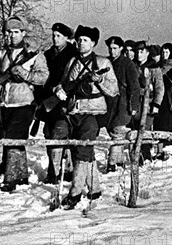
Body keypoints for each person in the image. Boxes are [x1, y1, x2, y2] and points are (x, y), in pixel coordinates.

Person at [55, 25, 118, 210]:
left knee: (82, 149)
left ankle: (74, 192)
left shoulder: (102, 63)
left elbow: (114, 90)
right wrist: (59, 91)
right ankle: (95, 189)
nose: (81, 43)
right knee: (82, 151)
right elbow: (64, 83)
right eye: (79, 39)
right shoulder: (72, 61)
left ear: (93, 43)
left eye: (85, 40)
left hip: (93, 113)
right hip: (74, 111)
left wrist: (101, 81)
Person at [0, 15, 49, 192]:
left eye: (15, 32)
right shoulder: (2, 53)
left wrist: (24, 74)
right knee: (10, 138)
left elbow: (43, 77)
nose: (11, 36)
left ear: (23, 33)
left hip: (24, 102)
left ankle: (11, 178)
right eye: (8, 32)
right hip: (5, 102)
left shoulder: (34, 55)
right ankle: (18, 174)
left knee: (14, 137)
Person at [39, 22, 77, 184]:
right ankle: (63, 169)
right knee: (49, 134)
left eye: (59, 36)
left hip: (65, 101)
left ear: (67, 38)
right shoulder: (47, 55)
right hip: (49, 101)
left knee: (60, 133)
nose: (55, 39)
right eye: (53, 35)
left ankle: (57, 172)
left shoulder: (73, 54)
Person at [103, 36, 140, 173]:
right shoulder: (106, 62)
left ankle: (112, 163)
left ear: (121, 49)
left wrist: (133, 106)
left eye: (115, 48)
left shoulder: (127, 64)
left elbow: (134, 86)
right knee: (112, 129)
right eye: (110, 48)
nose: (112, 51)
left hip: (123, 102)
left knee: (117, 130)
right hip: (108, 102)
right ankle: (118, 160)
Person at [133, 41, 165, 163]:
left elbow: (159, 87)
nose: (139, 54)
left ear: (147, 53)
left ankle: (145, 156)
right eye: (137, 52)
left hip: (149, 102)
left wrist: (156, 104)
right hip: (136, 101)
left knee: (145, 129)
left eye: (141, 52)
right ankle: (136, 155)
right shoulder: (133, 66)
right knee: (135, 128)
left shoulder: (154, 68)